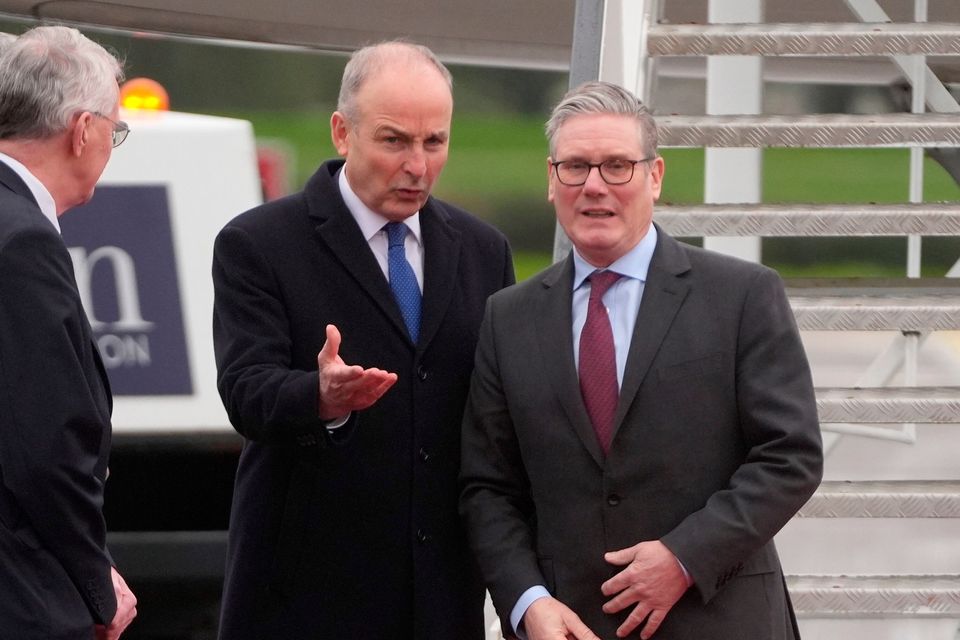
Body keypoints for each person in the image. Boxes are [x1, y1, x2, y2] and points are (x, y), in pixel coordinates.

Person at [459, 81, 823, 640]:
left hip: (718, 618)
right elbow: (488, 488)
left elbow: (790, 456)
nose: (594, 186)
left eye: (617, 166)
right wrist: (527, 602)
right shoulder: (507, 319)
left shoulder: (742, 295)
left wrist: (683, 557)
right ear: (551, 181)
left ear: (655, 176)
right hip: (569, 625)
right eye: (575, 167)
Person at [212, 41, 515, 639]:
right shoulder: (260, 243)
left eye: (435, 142)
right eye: (395, 140)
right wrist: (319, 396)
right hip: (305, 598)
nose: (418, 165)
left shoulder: (483, 250)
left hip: (439, 599)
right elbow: (246, 391)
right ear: (341, 133)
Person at [0, 25, 137, 640]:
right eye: (117, 129)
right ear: (83, 130)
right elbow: (47, 445)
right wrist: (94, 584)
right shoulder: (23, 239)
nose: (112, 145)